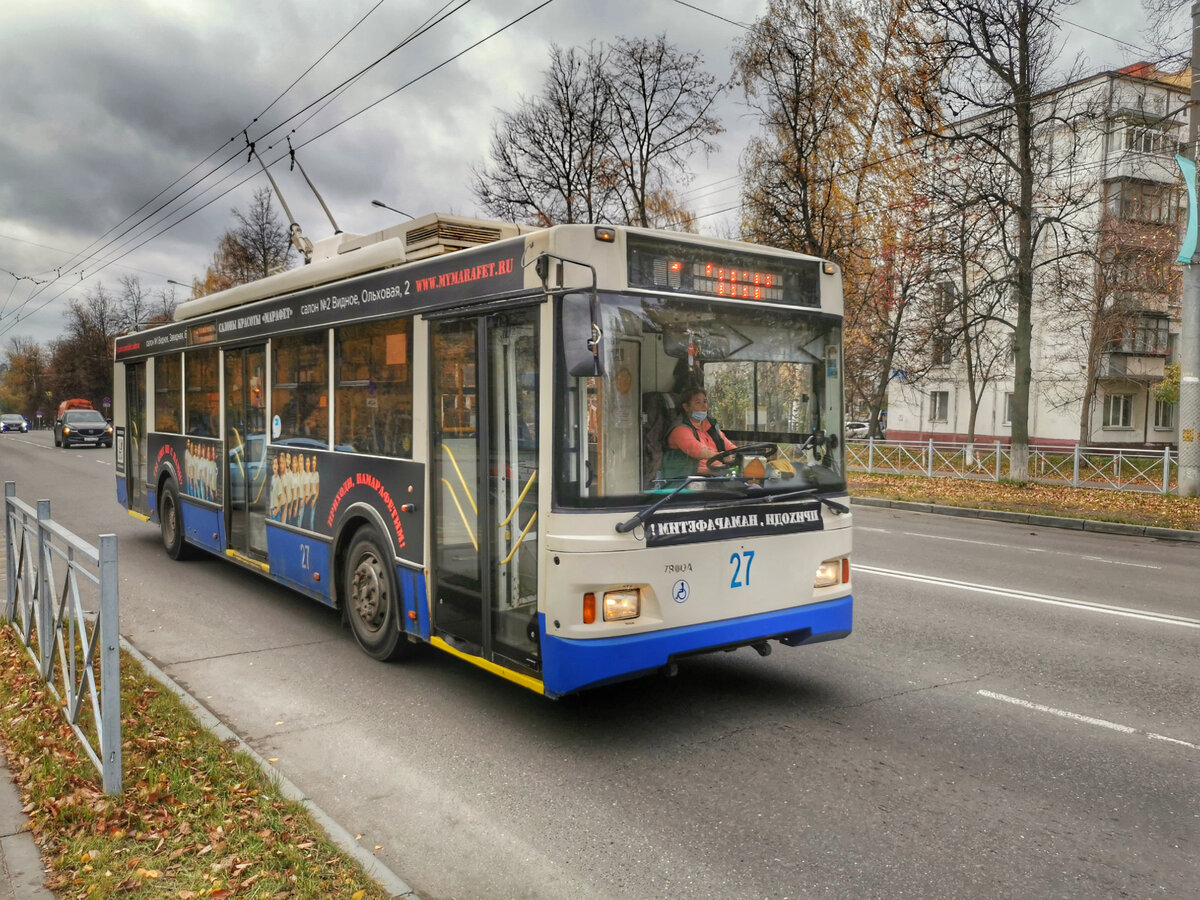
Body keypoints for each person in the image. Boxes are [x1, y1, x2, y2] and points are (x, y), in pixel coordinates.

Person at [663, 386, 737, 477]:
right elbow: (698, 451)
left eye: (705, 402)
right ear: (686, 407)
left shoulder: (710, 426)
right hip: (687, 480)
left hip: (716, 475)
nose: (704, 407)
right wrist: (720, 456)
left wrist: (740, 454)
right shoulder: (680, 429)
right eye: (698, 403)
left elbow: (731, 448)